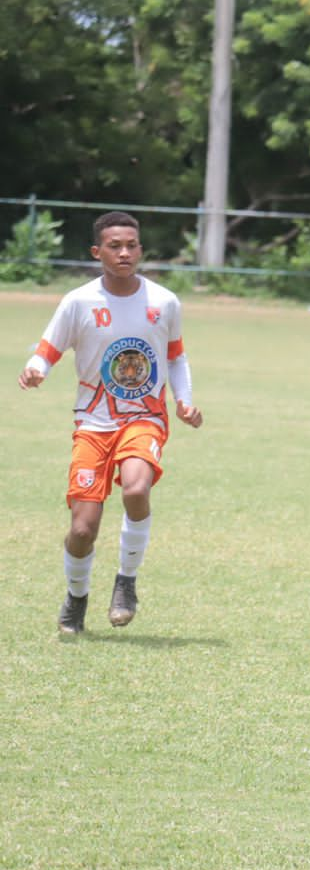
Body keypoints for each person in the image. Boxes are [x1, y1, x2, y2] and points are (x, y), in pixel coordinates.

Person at [17, 211, 203, 634]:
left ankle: (126, 582)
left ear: (140, 249)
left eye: (132, 245)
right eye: (115, 246)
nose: (124, 253)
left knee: (136, 488)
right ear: (97, 252)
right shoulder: (79, 301)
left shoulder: (164, 302)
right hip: (93, 423)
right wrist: (35, 369)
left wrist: (185, 402)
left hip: (145, 418)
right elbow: (48, 347)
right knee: (82, 530)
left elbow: (176, 356)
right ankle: (77, 597)